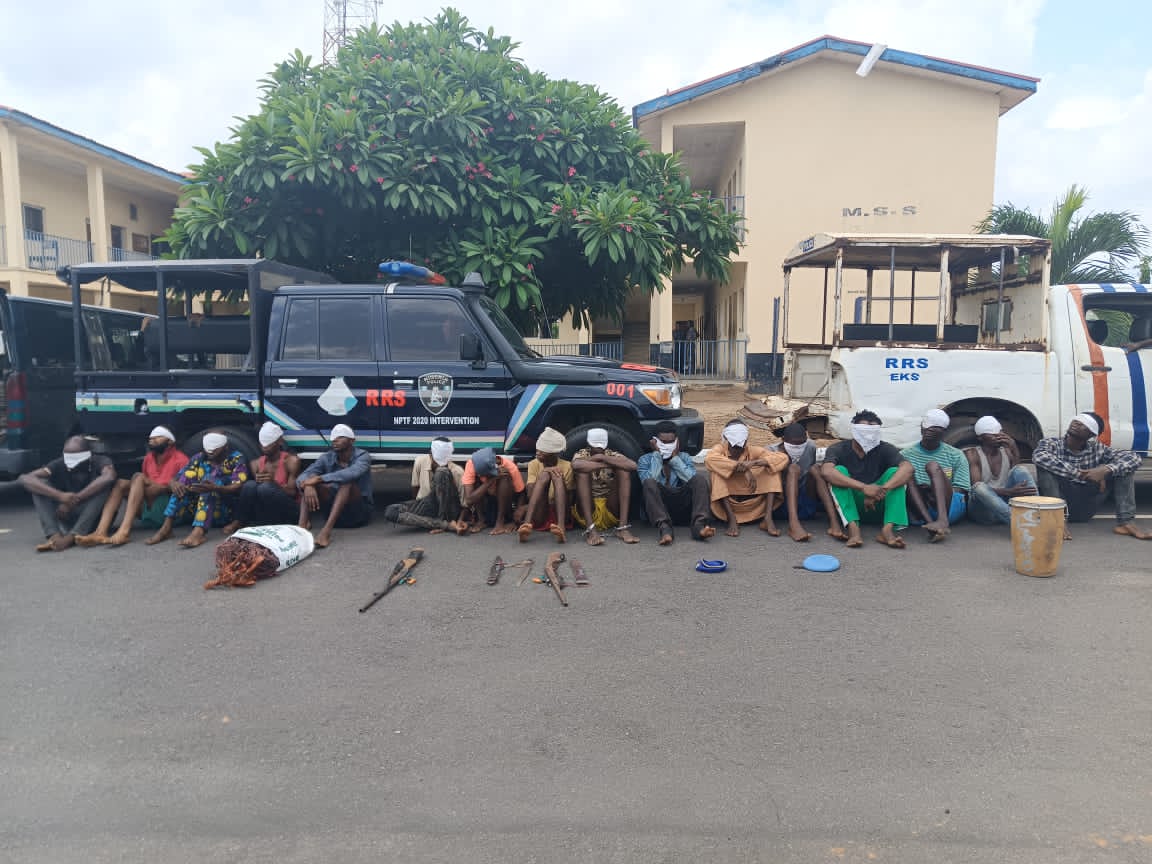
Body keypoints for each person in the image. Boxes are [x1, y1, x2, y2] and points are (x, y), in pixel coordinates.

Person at [1032, 412, 1151, 540]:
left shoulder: (1098, 449)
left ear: (1092, 434)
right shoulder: (1051, 443)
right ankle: (1056, 522)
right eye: (1077, 420)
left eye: (1084, 423)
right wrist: (1081, 474)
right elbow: (1039, 456)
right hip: (1062, 502)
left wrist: (1105, 470)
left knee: (1124, 468)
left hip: (1088, 504)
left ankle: (1126, 523)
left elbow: (1134, 458)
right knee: (1045, 468)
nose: (1077, 423)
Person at [76, 426, 189, 547]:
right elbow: (145, 487)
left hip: (169, 512)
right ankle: (100, 532)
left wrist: (164, 488)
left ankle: (124, 531)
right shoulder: (148, 459)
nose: (152, 441)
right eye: (151, 439)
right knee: (121, 483)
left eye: (157, 438)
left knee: (138, 477)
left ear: (170, 441)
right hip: (148, 508)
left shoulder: (181, 460)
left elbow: (185, 491)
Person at [820, 410, 914, 549]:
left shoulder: (885, 448)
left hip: (879, 504)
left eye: (872, 431)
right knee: (838, 471)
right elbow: (826, 471)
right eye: (864, 431)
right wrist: (864, 488)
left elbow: (908, 468)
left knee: (896, 473)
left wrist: (881, 491)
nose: (868, 436)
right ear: (853, 431)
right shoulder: (838, 449)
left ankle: (887, 530)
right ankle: (853, 528)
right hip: (853, 506)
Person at [147, 431, 248, 548]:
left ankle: (199, 532)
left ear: (225, 448)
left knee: (209, 480)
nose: (210, 452)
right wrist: (174, 483)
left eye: (215, 450)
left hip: (224, 510)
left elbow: (238, 486)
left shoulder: (236, 458)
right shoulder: (199, 457)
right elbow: (175, 478)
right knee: (186, 477)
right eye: (207, 449)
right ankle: (167, 527)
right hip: (196, 509)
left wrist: (215, 487)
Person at [20, 435, 117, 552]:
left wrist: (76, 499)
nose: (73, 466)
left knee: (105, 485)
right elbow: (25, 478)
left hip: (94, 519)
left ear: (88, 456)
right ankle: (54, 535)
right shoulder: (59, 463)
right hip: (64, 514)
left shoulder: (100, 461)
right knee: (38, 484)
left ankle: (73, 536)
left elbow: (109, 476)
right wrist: (59, 496)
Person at [705, 418, 789, 537]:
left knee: (771, 469)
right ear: (727, 440)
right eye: (735, 447)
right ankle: (732, 519)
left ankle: (768, 518)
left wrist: (753, 464)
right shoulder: (719, 449)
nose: (738, 450)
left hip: (754, 502)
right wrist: (742, 469)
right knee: (716, 473)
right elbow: (709, 459)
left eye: (741, 445)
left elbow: (782, 458)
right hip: (730, 503)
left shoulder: (753, 450)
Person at [637, 420, 715, 546]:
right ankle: (665, 529)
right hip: (659, 508)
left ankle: (699, 526)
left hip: (682, 506)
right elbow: (650, 483)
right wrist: (657, 455)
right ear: (654, 442)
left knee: (699, 479)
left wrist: (675, 460)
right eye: (663, 442)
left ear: (677, 441)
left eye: (671, 442)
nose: (667, 445)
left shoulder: (684, 457)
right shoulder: (644, 460)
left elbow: (692, 480)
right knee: (649, 482)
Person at [296, 423, 373, 548]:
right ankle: (302, 527)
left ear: (352, 440)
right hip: (333, 514)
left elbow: (351, 473)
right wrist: (308, 485)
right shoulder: (326, 457)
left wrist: (320, 479)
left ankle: (325, 532)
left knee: (346, 482)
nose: (335, 440)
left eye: (340, 437)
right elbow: (302, 477)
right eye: (333, 438)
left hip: (358, 514)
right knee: (308, 482)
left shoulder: (363, 456)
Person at [901, 408, 971, 542]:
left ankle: (942, 520)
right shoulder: (906, 454)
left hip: (950, 506)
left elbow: (962, 489)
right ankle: (931, 524)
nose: (929, 434)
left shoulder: (956, 454)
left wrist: (936, 487)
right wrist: (925, 489)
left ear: (944, 433)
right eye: (928, 430)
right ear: (921, 429)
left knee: (932, 466)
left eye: (935, 431)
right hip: (922, 506)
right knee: (906, 472)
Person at [226, 422, 301, 532]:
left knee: (265, 488)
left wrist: (274, 483)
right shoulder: (255, 464)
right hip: (266, 512)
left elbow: (293, 493)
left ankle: (275, 524)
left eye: (269, 444)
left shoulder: (291, 461)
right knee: (250, 485)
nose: (265, 448)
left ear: (279, 442)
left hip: (288, 510)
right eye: (262, 444)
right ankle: (239, 520)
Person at [767, 422, 836, 542]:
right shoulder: (770, 451)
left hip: (806, 503)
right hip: (781, 505)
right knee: (793, 468)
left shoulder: (810, 446)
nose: (798, 447)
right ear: (783, 440)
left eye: (801, 443)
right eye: (794, 444)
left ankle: (834, 522)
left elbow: (811, 474)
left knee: (815, 468)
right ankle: (793, 524)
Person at [964, 415, 1037, 525]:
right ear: (980, 438)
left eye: (999, 433)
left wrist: (1014, 447)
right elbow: (975, 490)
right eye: (992, 434)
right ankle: (1021, 523)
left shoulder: (1006, 451)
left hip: (1004, 505)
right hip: (983, 511)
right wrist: (1009, 491)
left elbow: (1015, 474)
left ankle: (1039, 513)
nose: (998, 436)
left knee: (1020, 469)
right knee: (979, 487)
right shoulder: (973, 454)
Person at [571, 427, 639, 545]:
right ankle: (591, 530)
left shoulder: (611, 454)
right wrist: (604, 464)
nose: (598, 449)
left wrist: (602, 458)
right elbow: (576, 465)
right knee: (582, 473)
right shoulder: (581, 454)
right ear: (588, 443)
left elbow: (633, 465)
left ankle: (622, 528)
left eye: (601, 446)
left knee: (624, 471)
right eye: (595, 446)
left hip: (610, 507)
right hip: (588, 508)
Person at [383, 437, 466, 533]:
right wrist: (418, 509)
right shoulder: (420, 461)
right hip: (428, 504)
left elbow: (465, 504)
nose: (439, 463)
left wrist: (460, 521)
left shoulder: (458, 471)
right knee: (391, 511)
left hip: (450, 510)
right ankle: (443, 525)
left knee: (441, 472)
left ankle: (444, 521)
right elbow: (415, 490)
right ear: (430, 454)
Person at [517, 427, 573, 544]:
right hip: (540, 511)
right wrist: (544, 473)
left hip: (560, 511)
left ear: (554, 453)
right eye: (538, 449)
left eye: (543, 450)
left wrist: (558, 477)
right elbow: (530, 494)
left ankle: (561, 527)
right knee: (545, 475)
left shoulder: (568, 466)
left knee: (557, 475)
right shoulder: (533, 464)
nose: (538, 452)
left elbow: (571, 499)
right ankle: (526, 525)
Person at [460, 447, 524, 535]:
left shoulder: (510, 466)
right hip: (485, 501)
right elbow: (469, 500)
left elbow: (521, 493)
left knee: (505, 477)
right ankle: (481, 520)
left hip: (505, 504)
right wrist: (491, 479)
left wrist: (515, 520)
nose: (482, 476)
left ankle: (500, 521)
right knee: (475, 481)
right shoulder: (471, 464)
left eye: (486, 474)